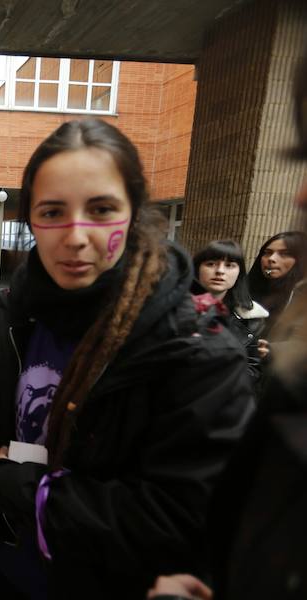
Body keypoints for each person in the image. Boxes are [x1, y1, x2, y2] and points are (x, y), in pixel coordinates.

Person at [0, 118, 254, 599]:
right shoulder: (22, 311)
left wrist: (26, 491)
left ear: (135, 213)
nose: (76, 235)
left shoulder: (196, 348)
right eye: (53, 211)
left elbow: (187, 515)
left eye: (101, 210)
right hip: (14, 568)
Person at [147, 45, 307, 600]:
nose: (300, 192)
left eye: (228, 265)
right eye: (211, 262)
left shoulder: (262, 318)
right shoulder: (177, 314)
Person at [191, 240, 268, 381]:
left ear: (239, 272)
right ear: (197, 269)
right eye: (211, 264)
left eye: (229, 265)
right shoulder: (174, 307)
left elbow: (253, 370)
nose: (220, 271)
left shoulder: (249, 316)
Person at [246, 230, 306, 335]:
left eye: (285, 254)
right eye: (267, 253)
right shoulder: (241, 290)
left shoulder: (301, 300)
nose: (271, 259)